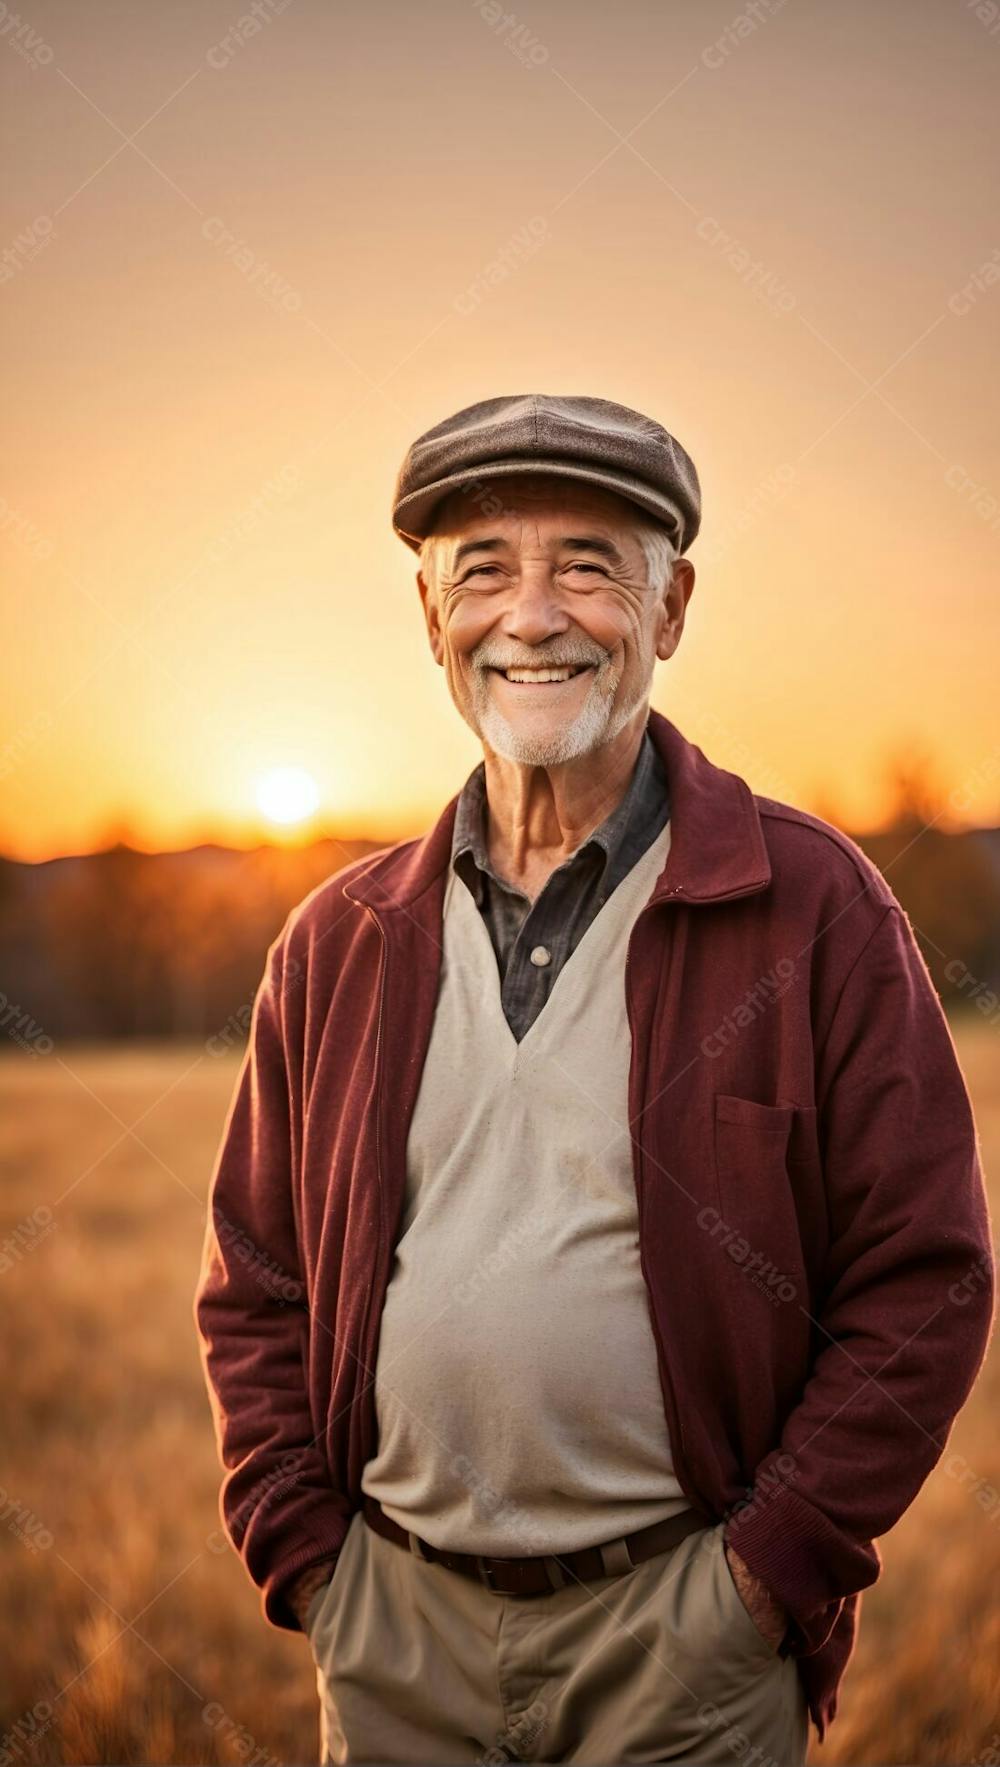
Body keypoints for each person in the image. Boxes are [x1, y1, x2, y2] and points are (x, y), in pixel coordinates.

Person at [194, 393, 995, 1765]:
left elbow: (925, 1280)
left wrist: (760, 1581)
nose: (533, 616)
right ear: (429, 613)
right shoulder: (338, 943)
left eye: (586, 564)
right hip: (396, 1641)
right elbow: (255, 1279)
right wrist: (319, 1572)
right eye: (485, 567)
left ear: (671, 606)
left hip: (684, 1644)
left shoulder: (813, 908)